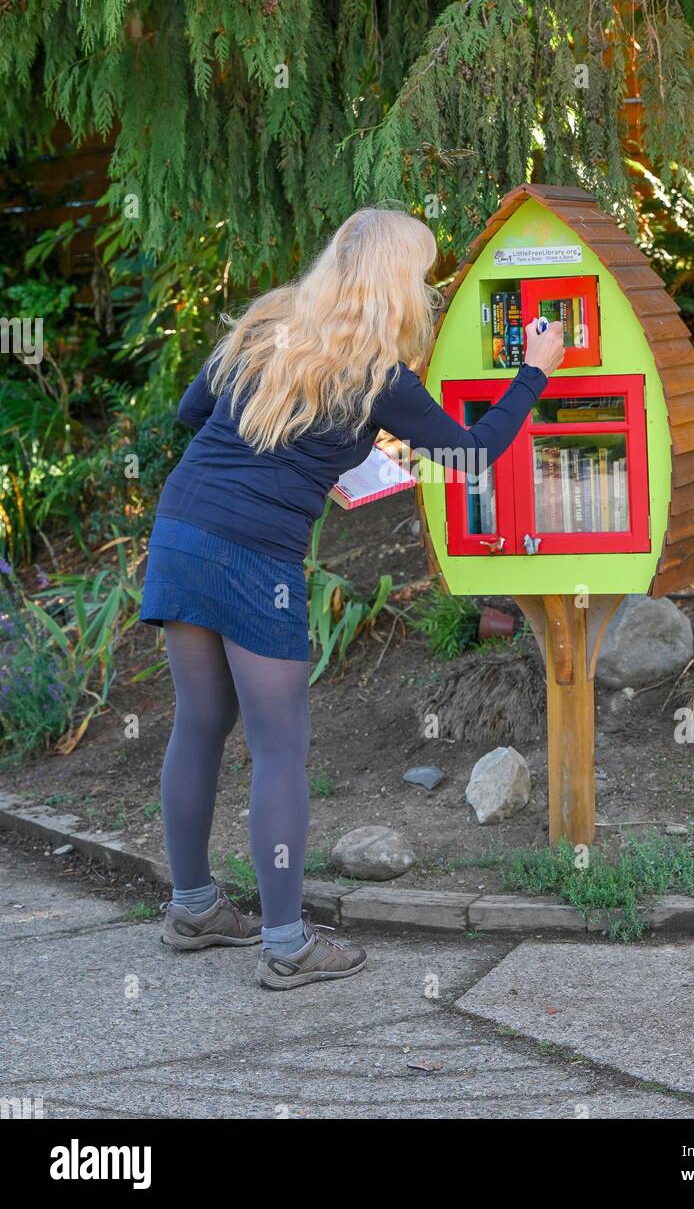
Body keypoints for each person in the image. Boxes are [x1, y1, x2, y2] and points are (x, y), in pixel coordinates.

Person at [141, 206, 565, 990]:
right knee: (280, 746)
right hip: (251, 554)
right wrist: (535, 368)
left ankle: (194, 908)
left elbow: (194, 414)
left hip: (181, 527)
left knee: (199, 722)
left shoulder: (267, 322)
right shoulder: (376, 374)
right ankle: (288, 946)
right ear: (401, 283)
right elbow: (470, 457)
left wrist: (309, 452)